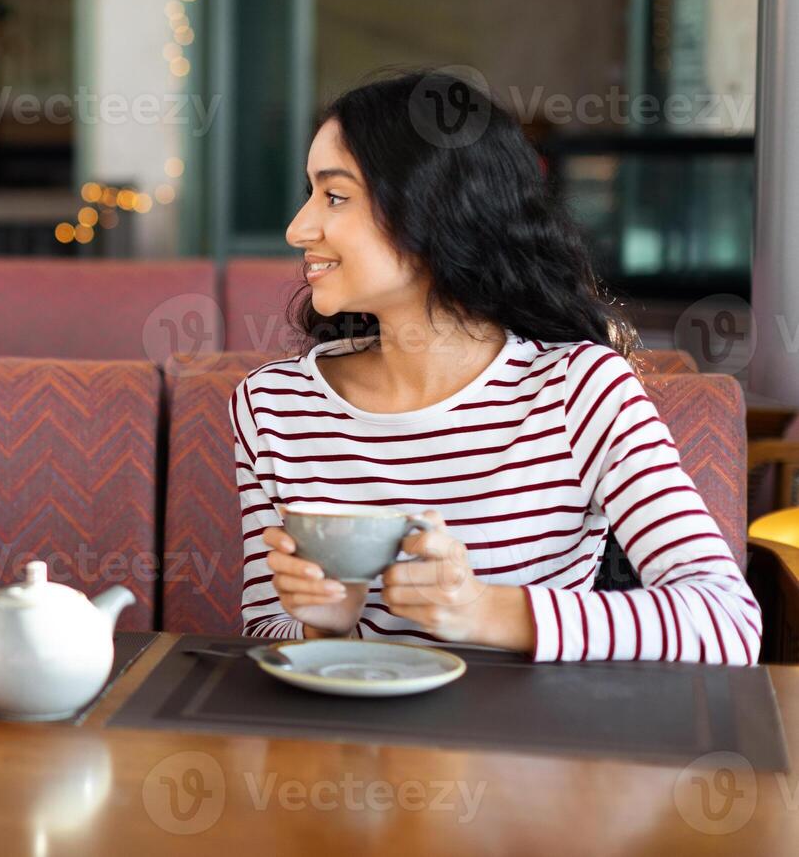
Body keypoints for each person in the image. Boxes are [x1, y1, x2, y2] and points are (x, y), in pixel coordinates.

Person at [235, 71, 759, 664]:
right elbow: (263, 630)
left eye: (334, 196)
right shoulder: (273, 406)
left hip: (521, 748)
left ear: (432, 210)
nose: (297, 228)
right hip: (349, 747)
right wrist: (322, 628)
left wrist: (480, 608)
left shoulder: (579, 390)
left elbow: (726, 621)